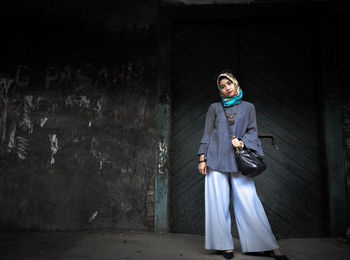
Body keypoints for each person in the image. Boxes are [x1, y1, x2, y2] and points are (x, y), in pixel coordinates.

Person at [197, 70, 289, 260]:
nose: (226, 88)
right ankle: (224, 246)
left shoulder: (248, 107)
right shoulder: (214, 108)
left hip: (239, 160)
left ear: (235, 84)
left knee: (249, 202)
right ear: (219, 90)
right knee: (217, 204)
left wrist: (243, 142)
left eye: (229, 84)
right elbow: (207, 134)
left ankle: (267, 244)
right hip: (215, 159)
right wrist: (202, 158)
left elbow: (252, 131)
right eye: (222, 86)